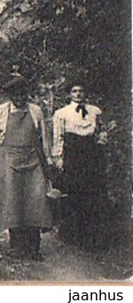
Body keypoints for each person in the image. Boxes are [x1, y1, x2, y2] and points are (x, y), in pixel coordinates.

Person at [0, 73, 54, 259]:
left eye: (23, 94)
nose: (20, 98)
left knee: (36, 202)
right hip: (8, 161)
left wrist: (49, 161)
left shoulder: (36, 111)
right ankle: (17, 246)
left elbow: (44, 138)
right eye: (16, 95)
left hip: (33, 161)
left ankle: (34, 248)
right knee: (13, 202)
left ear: (27, 94)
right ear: (10, 96)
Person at [52, 83, 105, 248]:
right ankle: (70, 234)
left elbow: (100, 132)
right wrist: (59, 158)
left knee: (91, 194)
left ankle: (89, 237)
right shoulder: (62, 113)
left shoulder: (95, 111)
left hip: (91, 156)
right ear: (69, 94)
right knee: (73, 193)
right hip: (72, 157)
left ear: (85, 93)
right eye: (74, 91)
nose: (78, 94)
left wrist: (101, 143)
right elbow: (58, 137)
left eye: (81, 91)